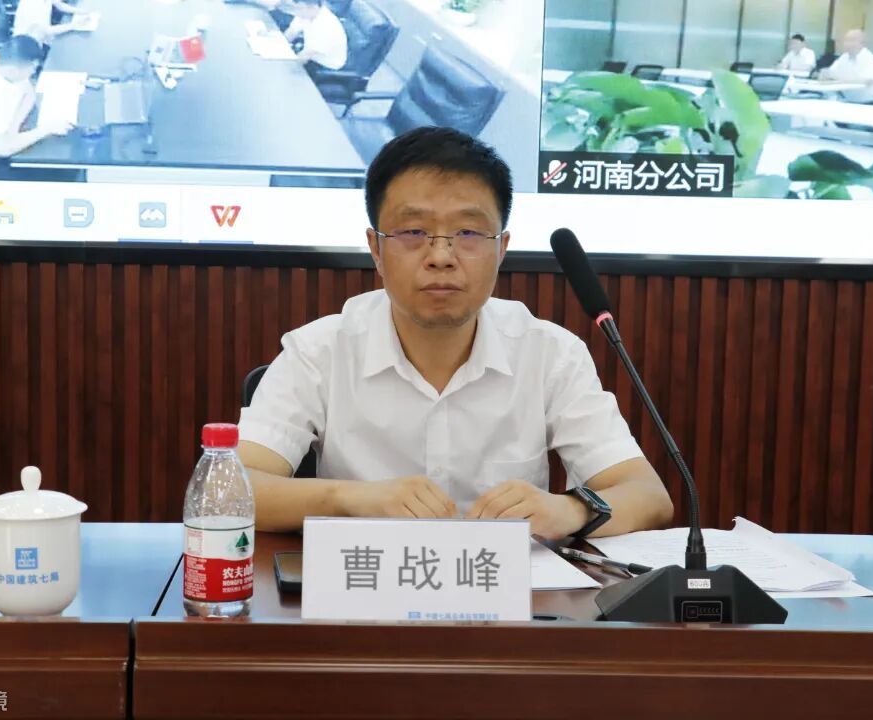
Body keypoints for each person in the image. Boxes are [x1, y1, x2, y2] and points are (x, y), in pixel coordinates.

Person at [238, 127, 674, 540]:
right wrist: (351, 498)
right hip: (365, 581)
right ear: (376, 248)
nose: (441, 256)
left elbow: (648, 496)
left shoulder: (550, 353)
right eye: (413, 232)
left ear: (501, 249)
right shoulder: (319, 350)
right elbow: (230, 492)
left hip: (505, 588)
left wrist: (570, 511)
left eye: (468, 233)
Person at [0, 35, 72, 159]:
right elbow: (5, 148)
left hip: (8, 137)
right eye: (32, 68)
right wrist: (46, 129)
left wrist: (13, 128)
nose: (33, 72)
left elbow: (29, 94)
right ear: (13, 70)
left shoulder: (4, 61)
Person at [280, 0, 348, 70]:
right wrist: (278, 48)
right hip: (311, 57)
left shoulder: (327, 25)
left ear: (314, 7)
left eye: (299, 9)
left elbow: (305, 56)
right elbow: (291, 33)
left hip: (325, 67)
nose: (296, 12)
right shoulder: (305, 13)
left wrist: (284, 68)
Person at [821, 29, 873, 103]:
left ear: (862, 43)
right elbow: (830, 73)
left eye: (851, 40)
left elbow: (867, 80)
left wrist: (839, 79)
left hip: (866, 102)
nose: (847, 43)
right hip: (846, 100)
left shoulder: (870, 58)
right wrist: (825, 74)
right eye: (846, 40)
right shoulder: (844, 57)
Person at [12, 0, 92, 44]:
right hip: (28, 44)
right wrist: (74, 25)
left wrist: (80, 11)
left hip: (43, 37)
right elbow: (47, 30)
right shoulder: (31, 6)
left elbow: (60, 5)